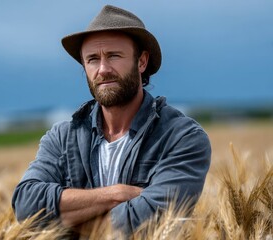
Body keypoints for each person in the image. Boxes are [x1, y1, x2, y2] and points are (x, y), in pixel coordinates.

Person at [12, 4, 211, 236]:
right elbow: (26, 205)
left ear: (141, 62)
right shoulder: (62, 138)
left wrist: (68, 225)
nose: (103, 69)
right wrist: (116, 194)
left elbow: (155, 219)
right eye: (93, 59)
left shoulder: (181, 137)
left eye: (114, 56)